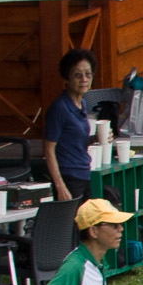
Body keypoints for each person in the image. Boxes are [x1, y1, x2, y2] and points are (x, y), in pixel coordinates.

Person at [38, 47, 97, 202]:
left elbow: (73, 140)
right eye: (77, 75)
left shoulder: (82, 104)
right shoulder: (59, 108)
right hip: (69, 176)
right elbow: (49, 149)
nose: (84, 79)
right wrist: (60, 186)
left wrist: (96, 138)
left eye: (88, 74)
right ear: (66, 79)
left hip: (84, 173)